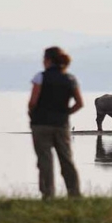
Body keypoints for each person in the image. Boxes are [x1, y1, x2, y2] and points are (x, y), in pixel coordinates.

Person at [28, 46, 84, 200]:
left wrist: (32, 115)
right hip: (61, 124)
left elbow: (33, 102)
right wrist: (66, 113)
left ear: (48, 60)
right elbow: (79, 103)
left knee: (45, 160)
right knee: (66, 159)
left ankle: (48, 194)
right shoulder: (70, 79)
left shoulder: (40, 77)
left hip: (41, 124)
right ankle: (74, 193)